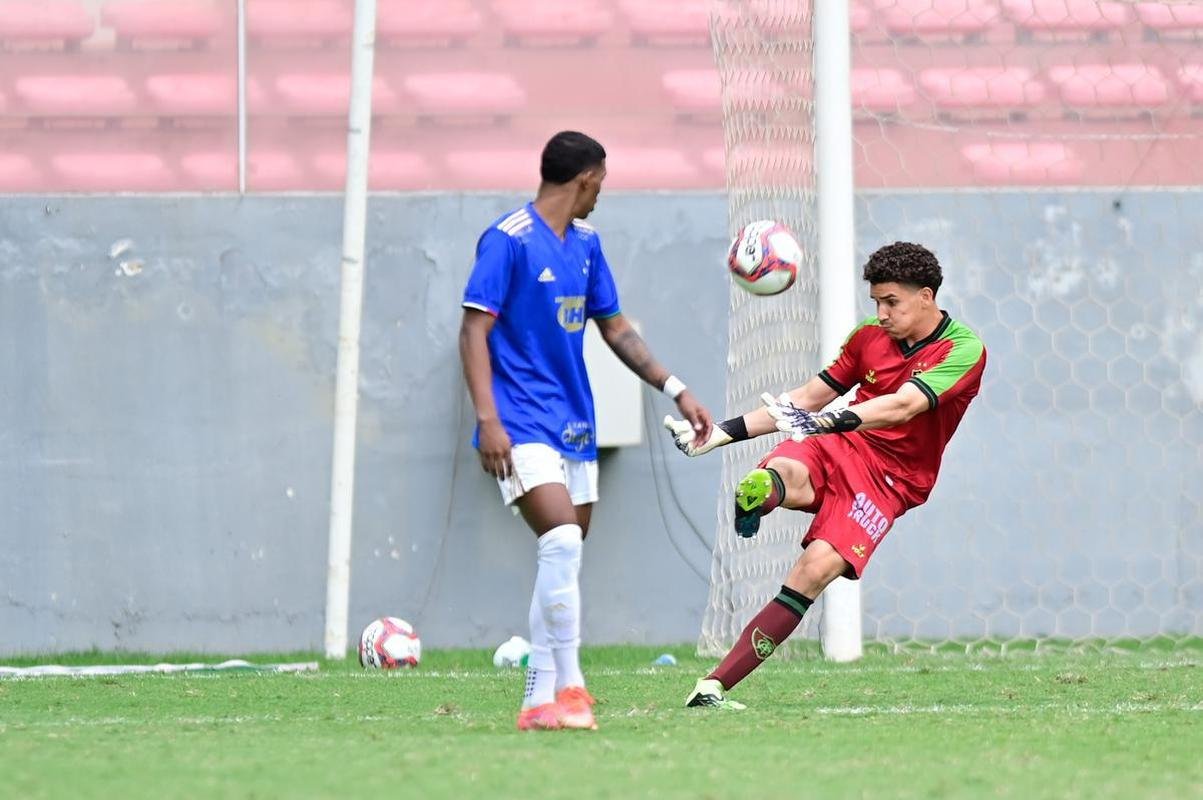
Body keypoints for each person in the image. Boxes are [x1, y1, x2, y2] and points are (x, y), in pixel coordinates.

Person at [459, 131, 713, 730]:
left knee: (562, 557)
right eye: (602, 182)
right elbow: (472, 330)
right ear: (586, 179)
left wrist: (676, 388)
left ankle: (536, 703)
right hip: (520, 422)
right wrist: (488, 419)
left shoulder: (587, 245)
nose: (602, 193)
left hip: (574, 425)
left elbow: (616, 330)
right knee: (563, 540)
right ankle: (571, 689)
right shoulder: (507, 240)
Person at [664, 241, 986, 709]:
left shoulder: (963, 349)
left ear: (926, 296)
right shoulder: (867, 337)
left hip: (890, 481)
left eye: (891, 302)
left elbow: (903, 406)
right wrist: (719, 433)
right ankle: (763, 491)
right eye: (875, 302)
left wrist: (829, 420)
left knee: (812, 571)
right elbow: (807, 399)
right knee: (788, 467)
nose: (880, 314)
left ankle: (712, 686)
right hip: (842, 443)